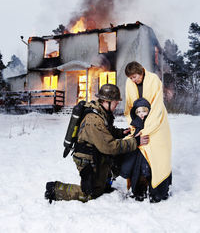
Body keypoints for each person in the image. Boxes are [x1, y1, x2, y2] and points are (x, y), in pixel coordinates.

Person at [45, 84, 149, 203]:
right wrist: (135, 142)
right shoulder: (93, 119)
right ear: (106, 101)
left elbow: (106, 131)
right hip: (88, 159)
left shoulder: (101, 112)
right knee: (90, 194)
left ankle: (103, 181)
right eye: (116, 102)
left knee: (103, 187)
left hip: (97, 153)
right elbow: (110, 147)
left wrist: (122, 132)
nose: (117, 105)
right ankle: (55, 189)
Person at [124, 61, 172, 203]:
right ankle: (139, 188)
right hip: (138, 122)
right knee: (139, 155)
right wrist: (135, 125)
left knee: (158, 155)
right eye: (131, 78)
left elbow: (157, 106)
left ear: (141, 71)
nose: (133, 80)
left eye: (135, 76)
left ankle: (158, 191)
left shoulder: (153, 79)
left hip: (156, 122)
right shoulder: (129, 83)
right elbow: (129, 106)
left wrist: (147, 129)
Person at [120, 97, 151, 201]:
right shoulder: (135, 123)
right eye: (138, 112)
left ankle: (144, 188)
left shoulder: (151, 124)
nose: (141, 114)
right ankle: (137, 189)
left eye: (144, 111)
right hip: (137, 152)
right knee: (136, 170)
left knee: (145, 170)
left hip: (147, 153)